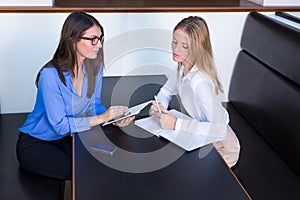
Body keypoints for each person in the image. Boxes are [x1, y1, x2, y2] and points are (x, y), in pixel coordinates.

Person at [16, 11, 134, 180]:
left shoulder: (95, 67)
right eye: (93, 39)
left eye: (100, 38)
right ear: (73, 40)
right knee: (84, 173)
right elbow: (60, 125)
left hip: (68, 137)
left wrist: (113, 119)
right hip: (37, 143)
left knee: (109, 162)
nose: (99, 45)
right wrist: (102, 118)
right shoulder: (50, 76)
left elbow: (94, 106)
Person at [150, 16, 240, 168]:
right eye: (174, 41)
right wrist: (160, 106)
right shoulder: (181, 67)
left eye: (184, 46)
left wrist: (176, 124)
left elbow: (218, 129)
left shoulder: (200, 83)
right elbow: (165, 91)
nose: (176, 49)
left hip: (223, 147)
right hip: (201, 134)